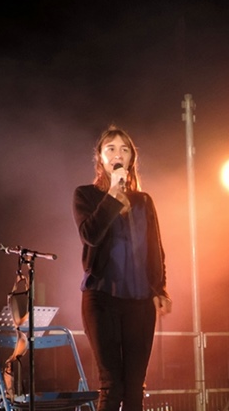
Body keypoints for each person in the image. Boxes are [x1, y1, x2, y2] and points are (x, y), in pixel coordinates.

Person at [72, 125, 172, 411]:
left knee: (134, 388)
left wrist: (160, 288)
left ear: (131, 160)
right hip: (101, 298)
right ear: (101, 159)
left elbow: (156, 249)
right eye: (111, 149)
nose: (118, 154)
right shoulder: (86, 196)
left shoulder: (144, 201)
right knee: (111, 385)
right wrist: (113, 195)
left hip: (140, 301)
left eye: (124, 149)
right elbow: (89, 234)